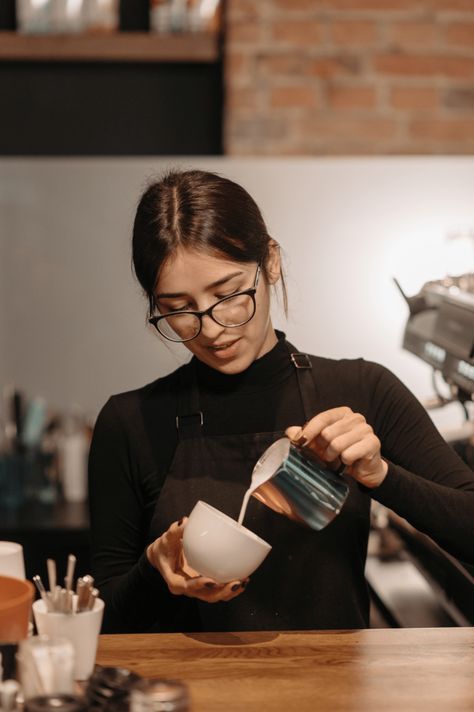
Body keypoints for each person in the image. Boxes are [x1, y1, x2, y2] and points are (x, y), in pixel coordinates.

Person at [88, 169, 474, 634]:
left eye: (229, 295)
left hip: (333, 700)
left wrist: (380, 476)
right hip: (183, 701)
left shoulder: (362, 388)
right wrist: (154, 569)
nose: (210, 330)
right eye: (178, 309)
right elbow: (101, 619)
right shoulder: (130, 423)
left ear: (270, 261)